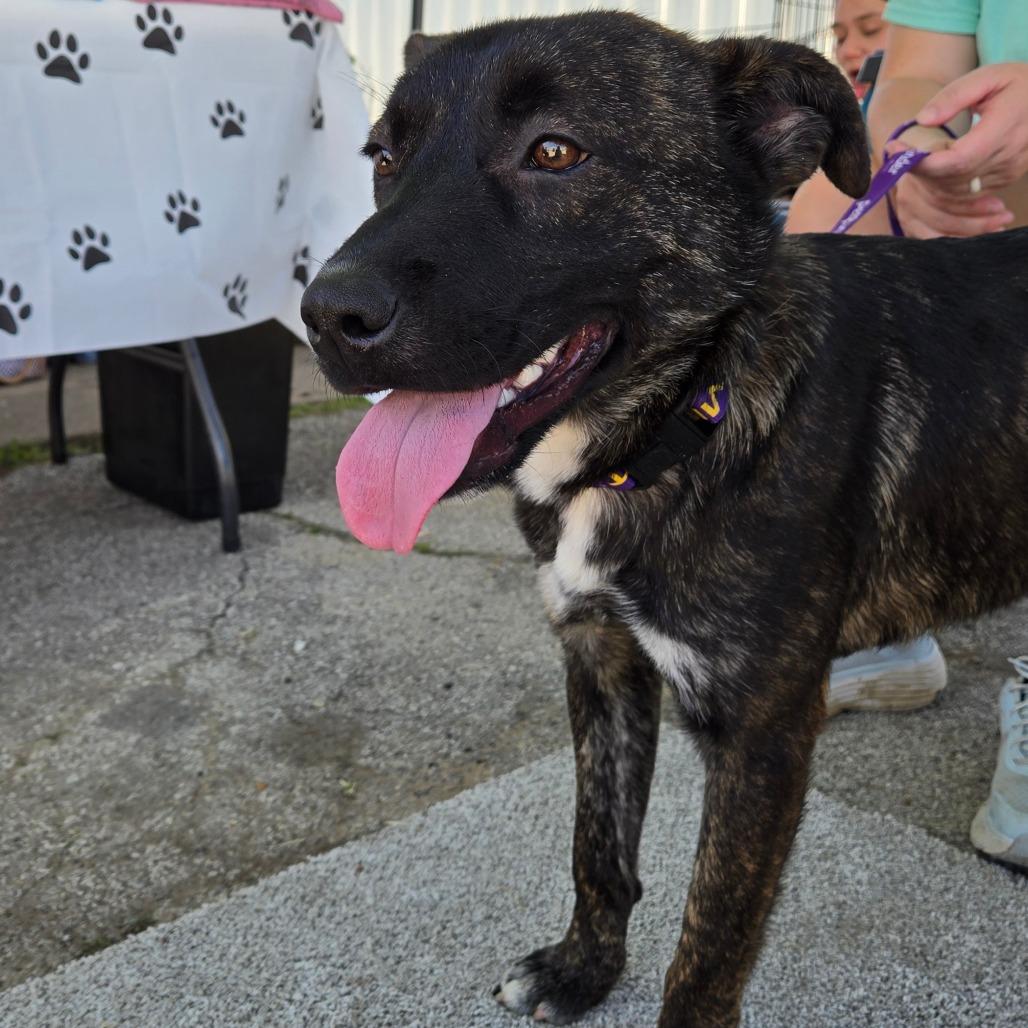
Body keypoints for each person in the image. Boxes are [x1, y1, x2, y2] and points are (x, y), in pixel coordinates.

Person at [792, 0, 1028, 869]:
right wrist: (917, 147)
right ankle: (885, 618)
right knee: (821, 232)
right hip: (998, 195)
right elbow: (916, 70)